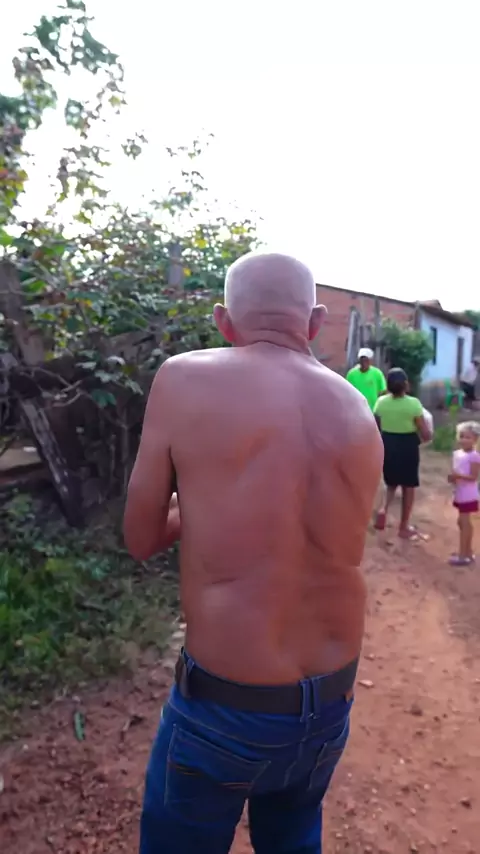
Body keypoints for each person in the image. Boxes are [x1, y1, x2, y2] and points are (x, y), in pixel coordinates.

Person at [123, 252, 383, 854]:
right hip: (329, 704)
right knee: (293, 837)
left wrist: (201, 500)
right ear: (316, 322)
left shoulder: (184, 378)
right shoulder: (356, 408)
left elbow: (140, 537)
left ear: (223, 320)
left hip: (226, 707)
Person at [373, 367, 432, 538]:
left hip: (388, 443)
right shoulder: (413, 404)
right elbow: (425, 433)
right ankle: (403, 526)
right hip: (408, 445)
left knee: (391, 483)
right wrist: (424, 439)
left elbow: (376, 426)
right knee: (408, 486)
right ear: (406, 384)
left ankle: (383, 509)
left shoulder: (381, 402)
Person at [448, 421, 480, 565]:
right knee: (462, 522)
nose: (464, 440)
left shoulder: (474, 456)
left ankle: (463, 555)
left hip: (468, 494)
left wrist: (458, 476)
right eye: (462, 436)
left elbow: (473, 477)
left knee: (465, 523)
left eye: (468, 437)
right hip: (460, 492)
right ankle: (467, 552)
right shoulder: (457, 454)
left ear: (475, 439)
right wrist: (453, 478)